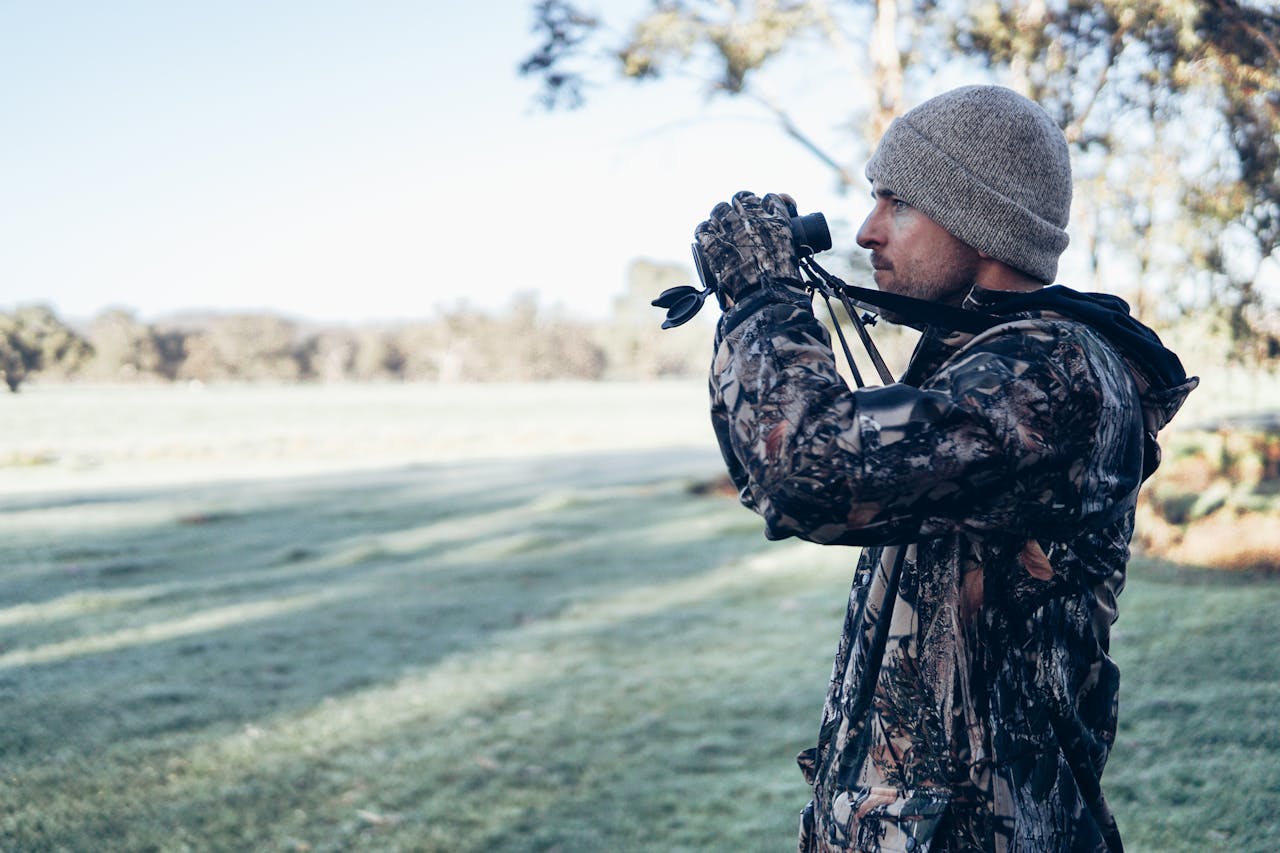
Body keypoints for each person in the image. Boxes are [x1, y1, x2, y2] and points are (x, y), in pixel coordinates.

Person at [693, 85, 1197, 852]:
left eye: (897, 204)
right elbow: (775, 474)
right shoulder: (978, 363)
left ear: (981, 221)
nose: (865, 231)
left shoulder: (1052, 373)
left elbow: (810, 473)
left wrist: (762, 295)